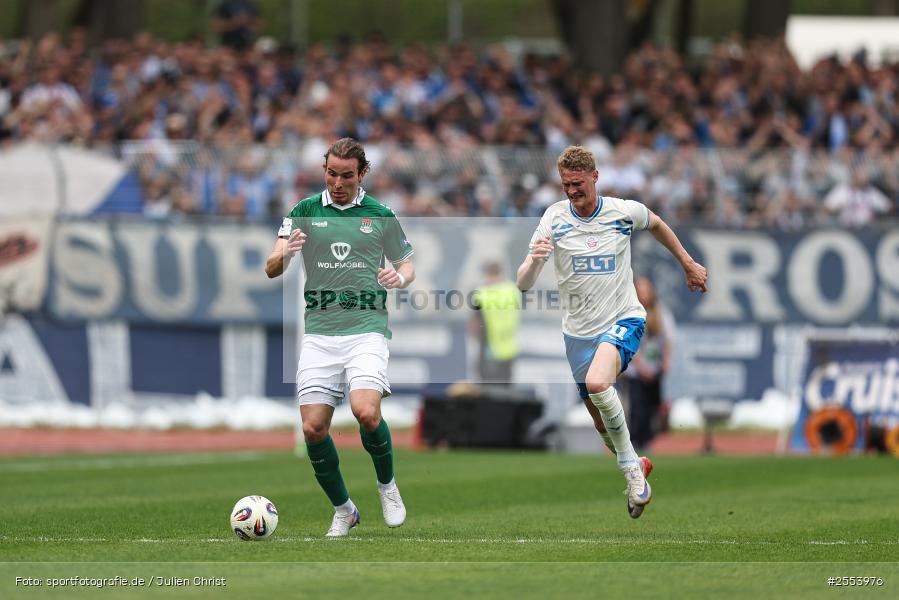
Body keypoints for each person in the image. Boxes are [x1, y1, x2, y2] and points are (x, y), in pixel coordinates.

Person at [516, 145, 707, 519]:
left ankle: (632, 472)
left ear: (595, 177)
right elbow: (522, 283)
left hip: (624, 318)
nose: (572, 191)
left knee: (600, 384)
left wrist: (687, 263)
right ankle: (635, 460)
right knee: (599, 416)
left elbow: (656, 223)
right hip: (577, 333)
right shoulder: (553, 218)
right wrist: (535, 261)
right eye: (566, 184)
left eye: (578, 183)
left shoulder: (622, 211)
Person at [265, 138, 415, 537]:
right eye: (331, 174)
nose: (337, 182)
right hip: (320, 333)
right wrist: (286, 253)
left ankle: (387, 486)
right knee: (313, 428)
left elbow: (407, 264)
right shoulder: (304, 211)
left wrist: (398, 277)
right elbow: (271, 267)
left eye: (346, 176)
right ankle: (344, 509)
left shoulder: (380, 214)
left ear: (361, 174)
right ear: (325, 171)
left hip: (366, 328)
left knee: (366, 411)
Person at [626, 277, 675, 451]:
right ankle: (634, 443)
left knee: (653, 408)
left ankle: (648, 441)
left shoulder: (661, 313)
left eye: (646, 290)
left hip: (655, 368)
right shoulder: (630, 312)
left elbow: (669, 339)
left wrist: (666, 362)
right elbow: (628, 342)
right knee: (637, 407)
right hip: (636, 370)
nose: (643, 294)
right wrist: (641, 367)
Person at [470, 261, 521, 385]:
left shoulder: (481, 294)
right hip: (509, 348)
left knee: (487, 390)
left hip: (488, 348)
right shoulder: (513, 290)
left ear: (487, 274)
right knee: (506, 390)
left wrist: (474, 339)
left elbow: (474, 324)